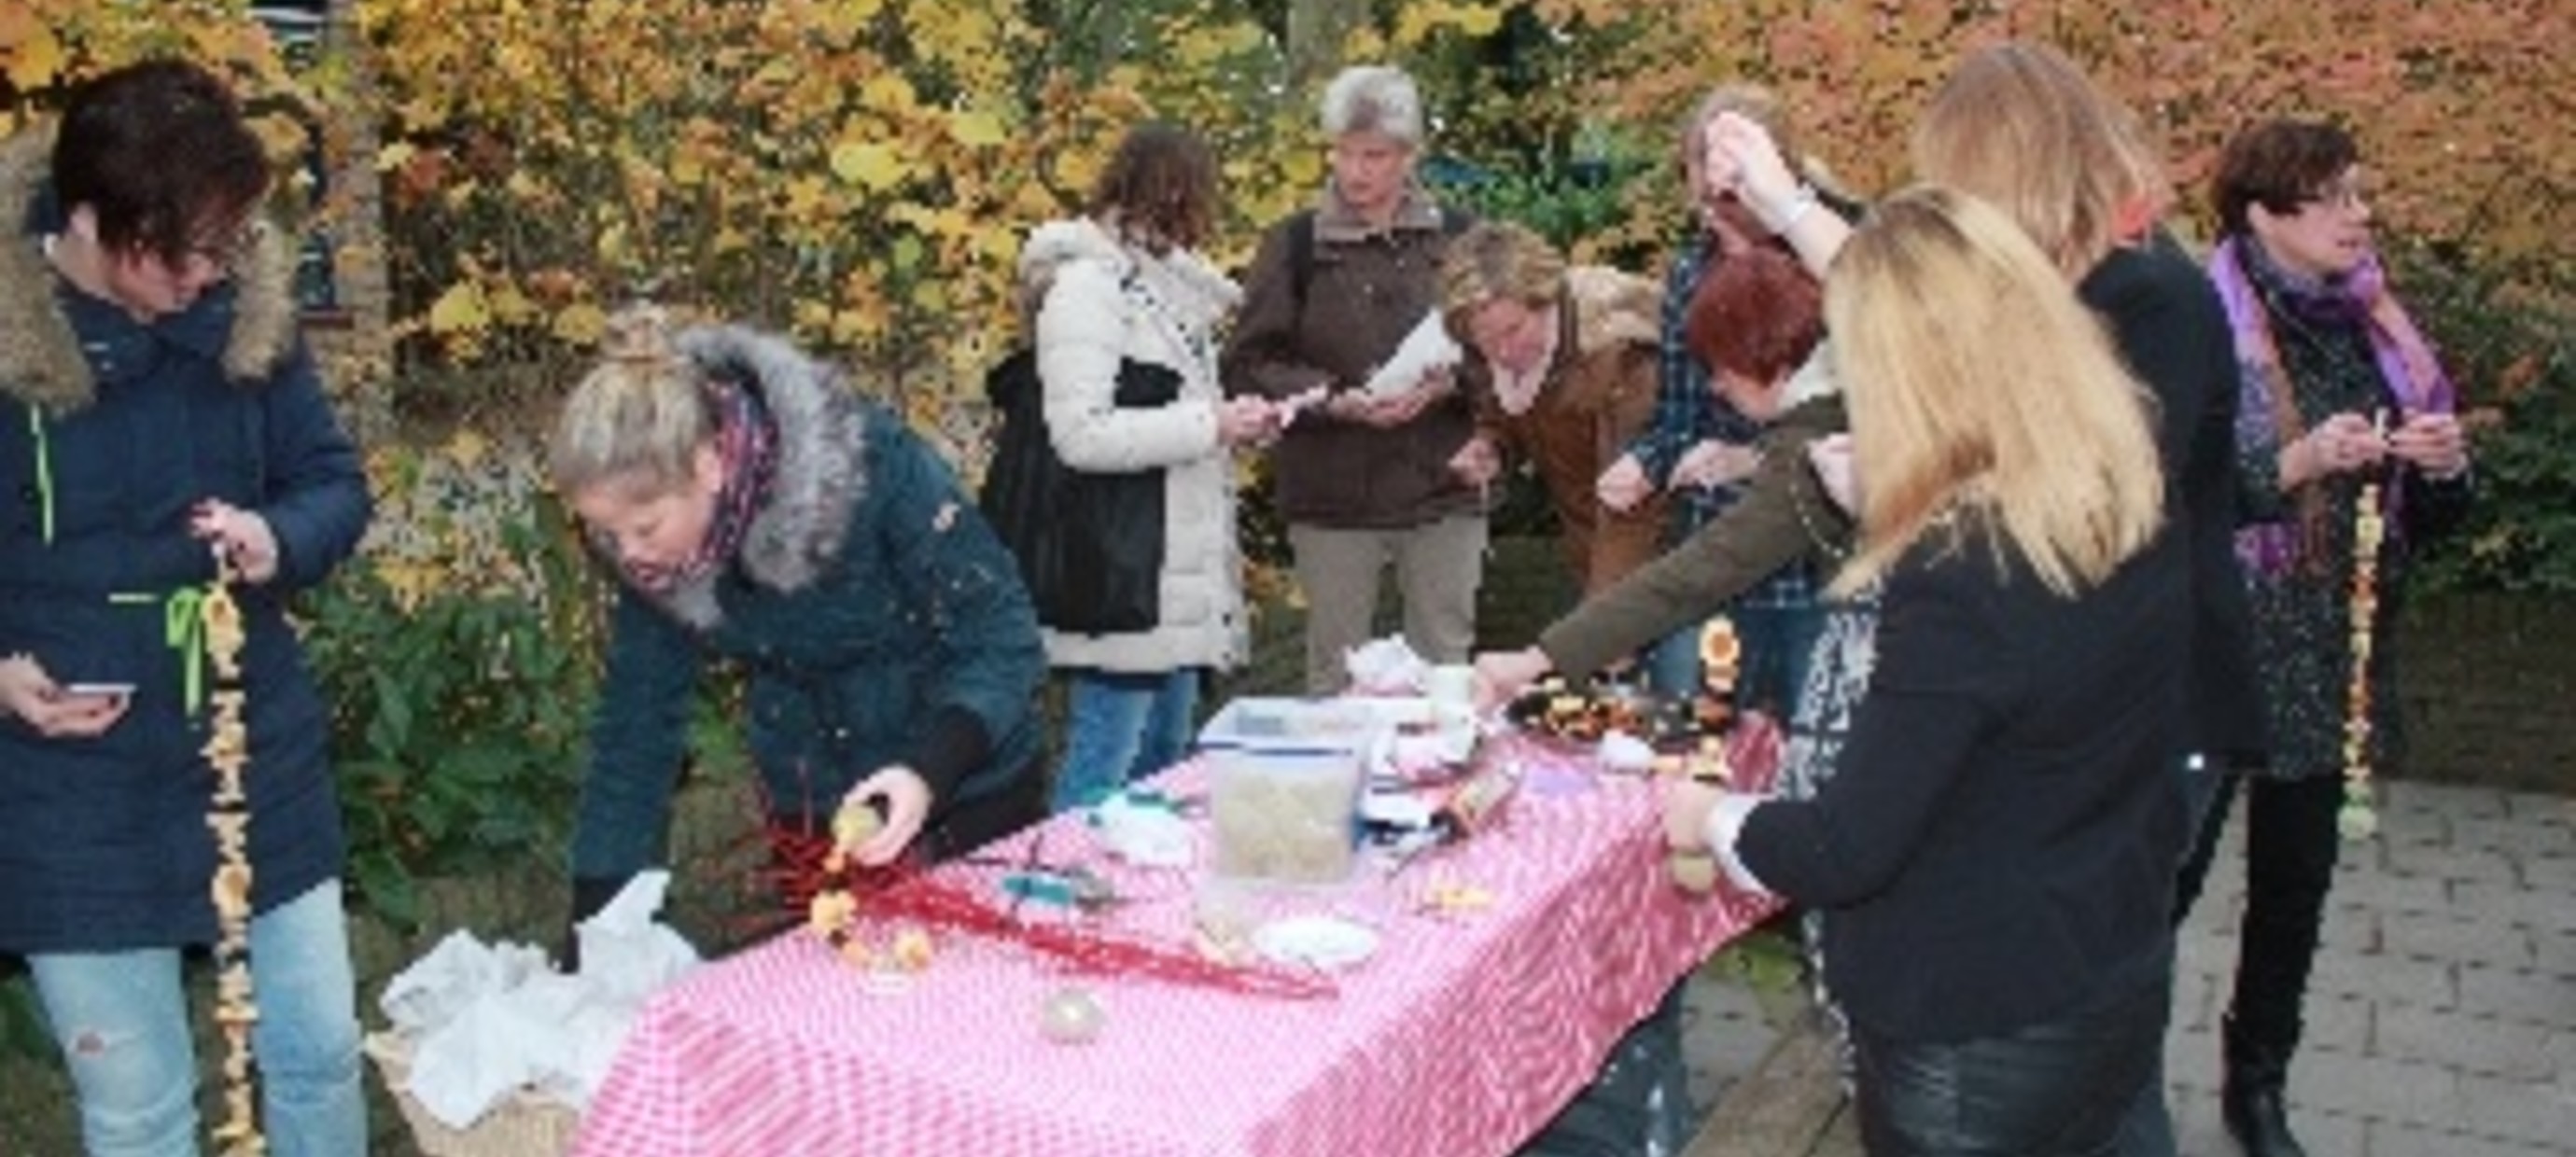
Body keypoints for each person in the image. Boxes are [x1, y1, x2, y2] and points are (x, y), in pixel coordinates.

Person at [1667, 185, 2188, 1156]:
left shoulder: (1959, 574)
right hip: (2111, 967)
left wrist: (1709, 815)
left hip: (1976, 1032)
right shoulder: (2120, 485)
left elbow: (1845, 846)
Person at [0, 59, 372, 1155]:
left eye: (226, 243)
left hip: (254, 750)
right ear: (87, 218)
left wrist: (279, 539)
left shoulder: (248, 319)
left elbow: (334, 484)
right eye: (184, 249)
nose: (211, 272)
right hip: (69, 794)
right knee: (139, 1106)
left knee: (317, 1057)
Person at [553, 305, 1049, 938]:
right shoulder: (657, 558)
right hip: (811, 804)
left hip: (963, 789)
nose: (631, 554)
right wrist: (594, 928)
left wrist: (929, 770)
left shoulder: (870, 462)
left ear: (708, 465)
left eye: (644, 527)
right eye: (607, 532)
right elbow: (636, 730)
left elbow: (1001, 635)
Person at [2177, 118, 2472, 1157]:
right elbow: (2170, 493)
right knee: (2159, 877)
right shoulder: (2196, 320)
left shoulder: (2377, 322)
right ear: (2263, 213)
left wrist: (2437, 467)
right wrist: (2294, 462)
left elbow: (2435, 522)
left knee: (2294, 891)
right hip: (2212, 648)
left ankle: (2258, 1087)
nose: (2361, 214)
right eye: (2334, 196)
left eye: (2360, 192)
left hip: (2334, 651)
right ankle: (2100, 1078)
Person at [1015, 123, 1281, 812]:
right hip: (1122, 571)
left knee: (1167, 775)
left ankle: (1144, 913)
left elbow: (1172, 423)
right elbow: (1080, 434)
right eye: (1189, 203)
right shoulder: (1086, 288)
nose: (1196, 223)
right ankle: (1063, 906)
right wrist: (1210, 424)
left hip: (1177, 577)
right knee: (1101, 778)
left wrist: (1231, 425)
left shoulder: (1168, 296)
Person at [1471, 243, 1844, 704]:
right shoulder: (1825, 414)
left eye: (1722, 368)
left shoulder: (1816, 439)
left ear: (1767, 356)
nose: (1714, 385)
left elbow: (1705, 568)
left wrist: (1537, 660)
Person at [1220, 64, 1484, 694]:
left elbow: (1507, 350)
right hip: (1332, 495)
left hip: (1443, 487)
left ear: (1410, 155)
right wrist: (1336, 401)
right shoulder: (1294, 245)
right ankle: (1328, 794)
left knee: (1446, 669)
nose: (1357, 171)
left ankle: (1440, 792)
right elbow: (1248, 363)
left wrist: (1451, 384)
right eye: (1344, 153)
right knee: (1338, 678)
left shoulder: (1461, 237)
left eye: (1375, 155)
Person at [1590, 84, 1840, 715]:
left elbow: (1869, 421)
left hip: (1818, 564)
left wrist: (1749, 458)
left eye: (1730, 194)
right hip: (1711, 558)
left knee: (1811, 759)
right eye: (1702, 189)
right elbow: (1678, 418)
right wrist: (1643, 463)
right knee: (1686, 740)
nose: (1714, 209)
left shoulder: (1836, 262)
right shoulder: (1685, 275)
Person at [1436, 219, 1666, 597]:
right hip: (1594, 552)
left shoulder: (1618, 358)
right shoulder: (1502, 347)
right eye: (1486, 340)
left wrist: (1601, 628)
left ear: (1545, 300)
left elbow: (1633, 507)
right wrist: (1493, 444)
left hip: (1667, 564)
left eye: (1513, 331)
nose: (1503, 353)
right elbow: (1510, 409)